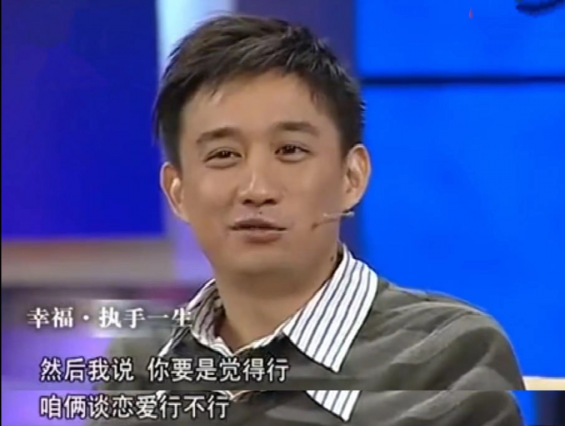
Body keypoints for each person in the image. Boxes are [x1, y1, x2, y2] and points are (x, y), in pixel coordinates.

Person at [93, 14, 525, 425]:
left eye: (290, 150)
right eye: (224, 155)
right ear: (178, 192)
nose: (256, 189)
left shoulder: (447, 353)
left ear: (351, 177)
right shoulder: (143, 365)